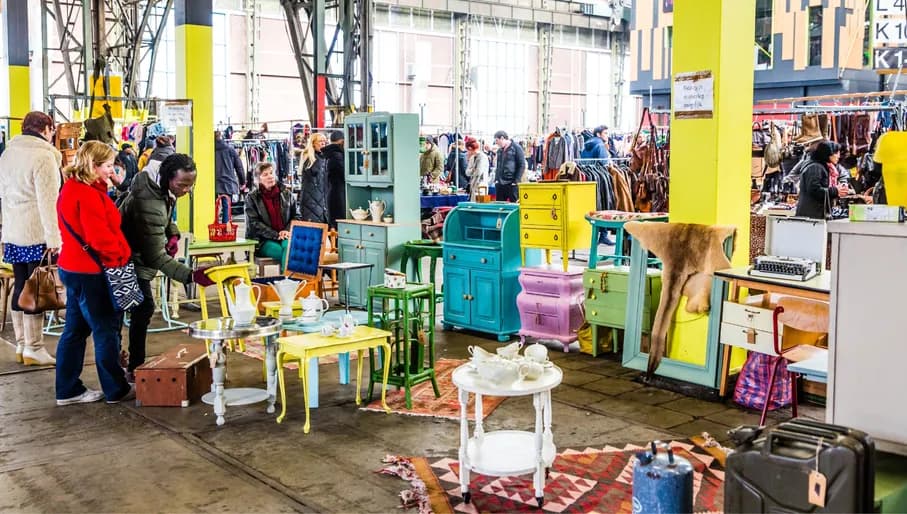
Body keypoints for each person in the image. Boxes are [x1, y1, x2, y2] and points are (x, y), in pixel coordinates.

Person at [119, 153, 212, 379]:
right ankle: (132, 369)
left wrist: (172, 233)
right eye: (182, 185)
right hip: (126, 261)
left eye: (190, 185)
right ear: (168, 177)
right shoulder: (146, 201)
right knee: (139, 309)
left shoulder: (158, 186)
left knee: (139, 309)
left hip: (135, 257)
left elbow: (165, 214)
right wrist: (190, 276)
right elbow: (155, 257)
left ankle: (130, 365)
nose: (186, 190)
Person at [55, 141, 134, 404]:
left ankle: (67, 389)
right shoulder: (88, 194)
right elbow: (100, 238)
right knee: (105, 330)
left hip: (73, 267)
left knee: (75, 331)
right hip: (93, 271)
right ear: (93, 165)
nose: (112, 170)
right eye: (108, 165)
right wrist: (120, 258)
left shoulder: (71, 188)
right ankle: (116, 389)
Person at [0, 111, 61, 366]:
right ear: (46, 129)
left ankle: (22, 345)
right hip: (37, 232)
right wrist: (54, 238)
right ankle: (34, 347)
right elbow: (49, 202)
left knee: (21, 284)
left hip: (14, 231)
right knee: (36, 289)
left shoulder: (8, 154)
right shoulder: (43, 157)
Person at [245, 162, 300, 272]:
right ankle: (289, 279)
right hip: (262, 241)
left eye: (271, 173)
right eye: (265, 174)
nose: (270, 176)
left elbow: (297, 216)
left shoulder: (286, 193)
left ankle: (286, 279)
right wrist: (276, 235)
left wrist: (286, 230)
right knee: (287, 253)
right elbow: (254, 223)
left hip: (285, 236)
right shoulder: (252, 197)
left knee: (288, 248)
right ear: (258, 179)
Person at [795, 140, 850, 219]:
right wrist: (835, 190)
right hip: (811, 215)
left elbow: (843, 174)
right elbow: (814, 190)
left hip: (816, 213)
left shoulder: (827, 167)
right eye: (836, 153)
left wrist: (841, 186)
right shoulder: (815, 167)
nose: (838, 156)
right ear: (828, 153)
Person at [299, 132, 330, 224]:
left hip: (321, 199)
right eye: (320, 141)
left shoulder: (323, 158)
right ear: (313, 143)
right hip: (312, 200)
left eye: (325, 141)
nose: (323, 143)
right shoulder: (310, 159)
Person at [493, 130, 525, 202]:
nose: (496, 143)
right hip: (500, 184)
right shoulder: (499, 151)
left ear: (502, 138)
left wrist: (516, 181)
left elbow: (522, 165)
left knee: (514, 205)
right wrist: (496, 179)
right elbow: (498, 166)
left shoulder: (516, 148)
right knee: (499, 205)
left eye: (497, 140)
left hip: (512, 183)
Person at [322, 130, 346, 227]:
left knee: (334, 224)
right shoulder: (337, 155)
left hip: (331, 192)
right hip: (339, 195)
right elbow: (344, 175)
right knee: (340, 225)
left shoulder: (328, 154)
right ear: (342, 141)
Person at [214, 130, 246, 198]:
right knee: (227, 203)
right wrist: (242, 182)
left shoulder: (209, 150)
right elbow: (239, 167)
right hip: (228, 184)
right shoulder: (230, 149)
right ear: (221, 137)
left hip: (213, 184)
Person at [465, 136, 489, 201]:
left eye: (467, 150)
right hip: (473, 184)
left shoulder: (482, 157)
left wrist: (472, 170)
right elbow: (467, 172)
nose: (467, 152)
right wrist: (473, 170)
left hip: (481, 185)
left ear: (469, 148)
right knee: (473, 203)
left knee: (480, 204)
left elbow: (478, 172)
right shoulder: (472, 158)